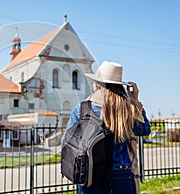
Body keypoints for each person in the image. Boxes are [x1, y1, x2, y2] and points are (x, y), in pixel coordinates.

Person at [64, 61, 151, 194]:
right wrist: (135, 101)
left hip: (90, 173)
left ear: (97, 83)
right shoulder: (127, 109)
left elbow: (66, 141)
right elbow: (144, 130)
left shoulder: (82, 109)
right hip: (122, 173)